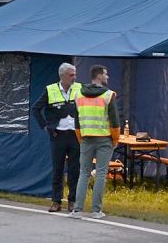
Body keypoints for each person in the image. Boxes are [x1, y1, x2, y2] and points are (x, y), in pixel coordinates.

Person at [70, 64, 121, 220]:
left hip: (85, 138)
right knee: (100, 174)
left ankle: (77, 210)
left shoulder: (78, 94)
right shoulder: (108, 95)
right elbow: (114, 121)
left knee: (83, 173)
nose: (107, 77)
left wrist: (80, 138)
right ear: (99, 76)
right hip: (104, 139)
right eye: (105, 74)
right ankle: (96, 211)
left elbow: (77, 121)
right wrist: (115, 139)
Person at [32, 63, 82, 213]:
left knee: (75, 169)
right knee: (58, 169)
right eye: (71, 75)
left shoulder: (80, 88)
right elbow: (36, 109)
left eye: (75, 74)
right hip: (58, 135)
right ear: (63, 76)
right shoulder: (51, 90)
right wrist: (46, 126)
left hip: (75, 134)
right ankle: (56, 201)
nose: (74, 77)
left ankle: (72, 201)